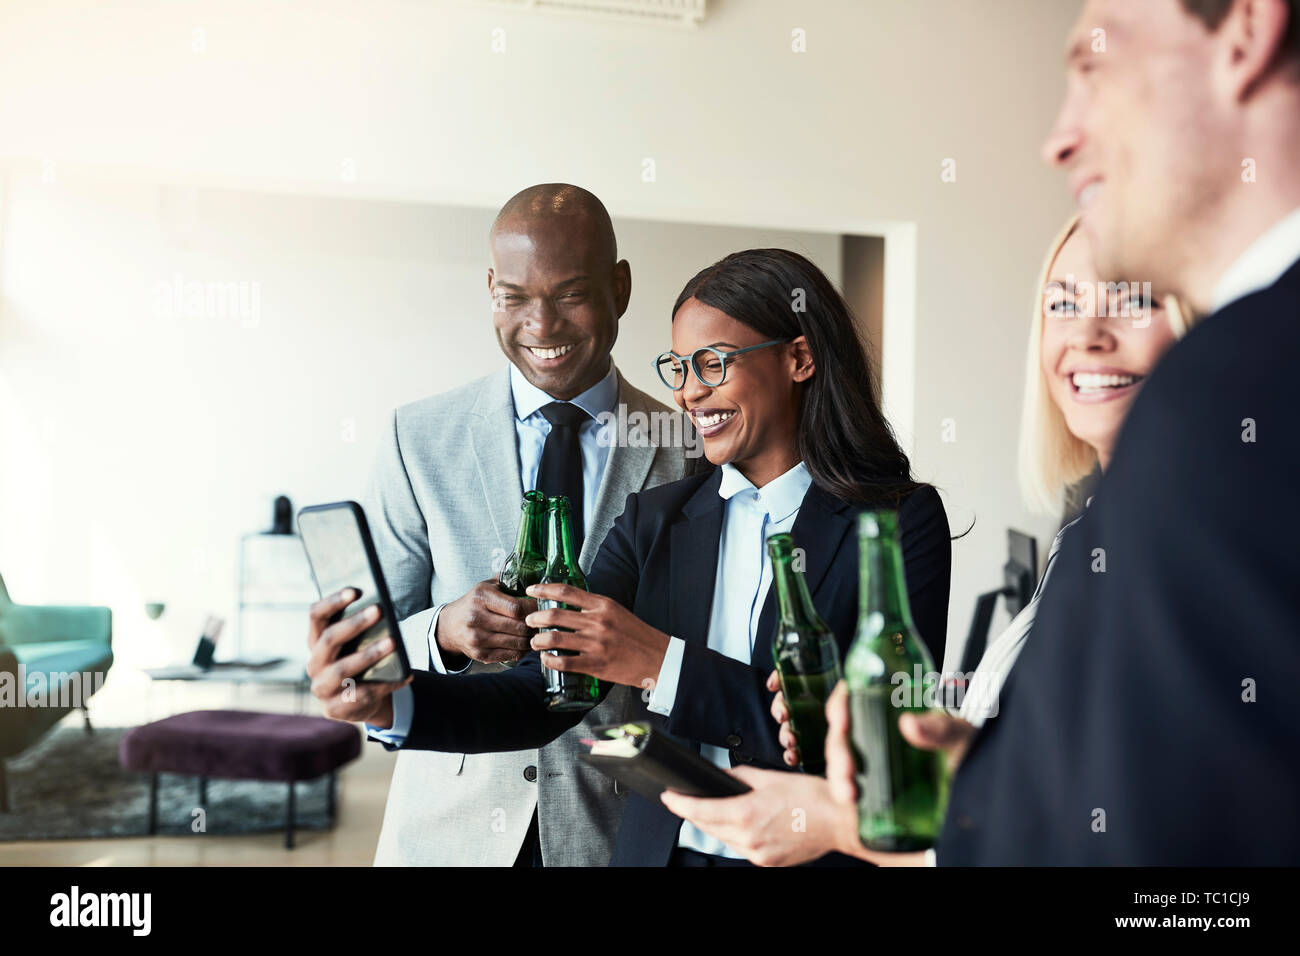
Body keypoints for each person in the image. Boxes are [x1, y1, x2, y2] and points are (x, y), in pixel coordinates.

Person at [671, 0, 1300, 866]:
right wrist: (968, 766)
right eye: (1062, 305)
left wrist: (856, 822)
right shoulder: (1097, 516)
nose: (1060, 139)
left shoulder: (1228, 401)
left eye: (1095, 69)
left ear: (1246, 32)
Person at [314, 247, 952, 866]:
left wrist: (658, 661)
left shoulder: (898, 522)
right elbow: (538, 693)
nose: (689, 394)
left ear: (799, 358)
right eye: (678, 369)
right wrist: (390, 705)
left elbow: (876, 744)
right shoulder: (658, 517)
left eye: (712, 364)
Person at [658, 219, 1193, 863]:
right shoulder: (1089, 535)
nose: (1088, 334)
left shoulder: (1201, 545)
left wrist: (837, 822)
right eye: (1062, 304)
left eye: (1134, 301)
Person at [305, 183, 692, 866]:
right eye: (515, 297)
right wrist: (446, 633)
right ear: (491, 288)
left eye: (571, 294)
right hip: (447, 826)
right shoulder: (417, 437)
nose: (541, 326)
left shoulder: (686, 447)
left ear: (620, 287)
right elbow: (377, 629)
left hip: (614, 827)